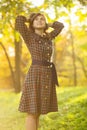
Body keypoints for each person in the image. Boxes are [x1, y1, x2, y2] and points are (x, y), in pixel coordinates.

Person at [15, 12, 64, 130]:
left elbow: (60, 26)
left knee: (38, 113)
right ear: (32, 23)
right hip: (35, 75)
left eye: (42, 19)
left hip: (47, 75)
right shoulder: (29, 36)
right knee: (32, 112)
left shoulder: (48, 37)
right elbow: (19, 21)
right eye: (36, 20)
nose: (40, 21)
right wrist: (30, 19)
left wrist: (48, 24)